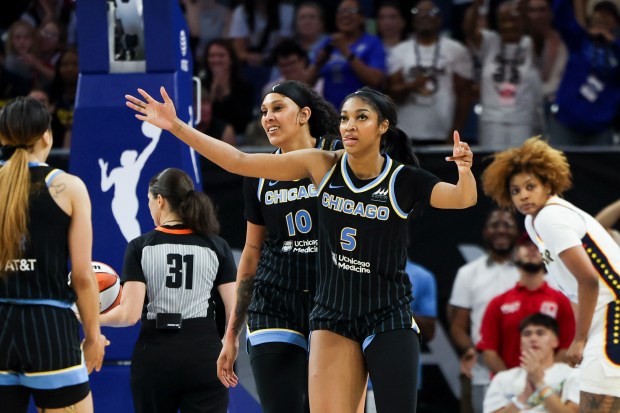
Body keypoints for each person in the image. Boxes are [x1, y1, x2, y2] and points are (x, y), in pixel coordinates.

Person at [125, 85, 477, 413]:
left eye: (361, 118)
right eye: (344, 118)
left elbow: (463, 198)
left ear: (383, 126)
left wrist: (464, 170)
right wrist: (175, 126)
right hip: (328, 311)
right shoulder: (320, 164)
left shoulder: (403, 178)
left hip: (385, 308)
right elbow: (238, 161)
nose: (349, 126)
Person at [216, 80, 340, 413]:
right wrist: (231, 334)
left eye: (278, 108)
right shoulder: (258, 174)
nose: (268, 117)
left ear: (304, 115)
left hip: (332, 298)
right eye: (264, 111)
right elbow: (251, 253)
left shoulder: (338, 156)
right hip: (274, 299)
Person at [482, 136, 620, 412]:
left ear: (548, 184)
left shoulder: (550, 217)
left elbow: (589, 280)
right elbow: (574, 289)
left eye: (530, 187)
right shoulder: (535, 221)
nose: (523, 195)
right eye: (515, 190)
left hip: (612, 317)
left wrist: (579, 339)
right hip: (603, 318)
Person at [99, 167, 236, 413]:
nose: (150, 207)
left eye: (149, 201)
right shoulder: (218, 246)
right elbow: (234, 306)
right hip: (205, 354)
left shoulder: (140, 247)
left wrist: (91, 318)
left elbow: (128, 315)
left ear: (159, 200)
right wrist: (230, 341)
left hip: (156, 356)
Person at [0, 96, 107, 412]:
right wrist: (93, 336)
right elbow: (84, 276)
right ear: (47, 136)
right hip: (49, 327)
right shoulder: (68, 187)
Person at [448, 208, 521, 413]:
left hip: (528, 371)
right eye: (494, 225)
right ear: (485, 232)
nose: (501, 230)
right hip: (483, 372)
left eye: (507, 225)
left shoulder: (531, 272)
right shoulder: (467, 273)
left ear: (517, 232)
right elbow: (458, 327)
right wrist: (469, 349)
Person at [477, 233, 575, 374]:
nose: (532, 249)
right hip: (507, 388)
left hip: (550, 386)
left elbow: (567, 346)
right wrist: (512, 381)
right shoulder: (498, 303)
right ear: (516, 255)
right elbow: (489, 351)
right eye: (526, 245)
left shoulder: (562, 301)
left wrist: (545, 380)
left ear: (547, 255)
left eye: (537, 246)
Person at [387, 0, 473, 145]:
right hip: (407, 133)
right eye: (418, 12)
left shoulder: (456, 50)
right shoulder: (399, 51)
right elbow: (392, 93)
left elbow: (464, 95)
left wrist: (456, 130)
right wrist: (411, 86)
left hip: (443, 131)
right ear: (413, 20)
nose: (424, 16)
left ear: (440, 19)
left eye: (431, 13)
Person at [464, 0, 543, 147]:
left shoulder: (531, 43)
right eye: (504, 21)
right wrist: (476, 5)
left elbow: (539, 32)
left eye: (513, 20)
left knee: (520, 164)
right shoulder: (490, 41)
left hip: (523, 119)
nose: (509, 25)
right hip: (492, 119)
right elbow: (469, 30)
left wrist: (524, 10)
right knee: (493, 164)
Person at [548, 0, 620, 146]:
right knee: (559, 167)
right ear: (591, 19)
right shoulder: (579, 41)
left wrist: (613, 43)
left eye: (607, 18)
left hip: (600, 127)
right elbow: (562, 15)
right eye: (599, 17)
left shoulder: (617, 53)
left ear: (615, 24)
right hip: (566, 122)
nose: (602, 19)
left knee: (600, 169)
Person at [483, 313, 579, 413]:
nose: (533, 338)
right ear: (520, 344)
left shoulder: (571, 374)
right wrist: (521, 399)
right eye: (527, 334)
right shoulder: (502, 378)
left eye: (540, 333)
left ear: (555, 341)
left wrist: (539, 383)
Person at [304, 0, 386, 109]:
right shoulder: (328, 42)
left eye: (351, 10)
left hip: (363, 112)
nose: (345, 15)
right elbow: (304, 85)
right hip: (333, 115)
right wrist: (317, 65)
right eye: (341, 11)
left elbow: (375, 81)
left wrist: (346, 51)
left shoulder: (373, 43)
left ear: (362, 18)